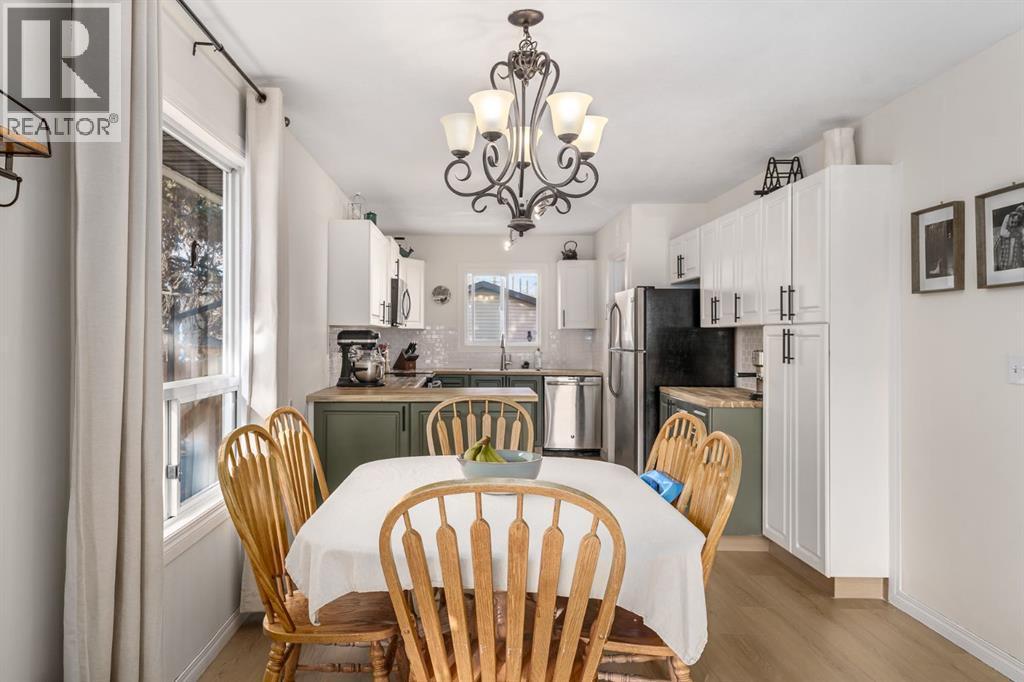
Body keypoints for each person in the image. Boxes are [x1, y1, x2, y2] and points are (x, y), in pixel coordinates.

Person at [995, 204, 1024, 271]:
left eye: (1022, 214)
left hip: (1015, 241)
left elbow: (1021, 231)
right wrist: (1013, 234)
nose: (1021, 215)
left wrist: (1020, 236)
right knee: (1002, 255)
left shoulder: (1021, 221)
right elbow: (1002, 232)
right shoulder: (1008, 216)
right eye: (1021, 212)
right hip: (1006, 239)